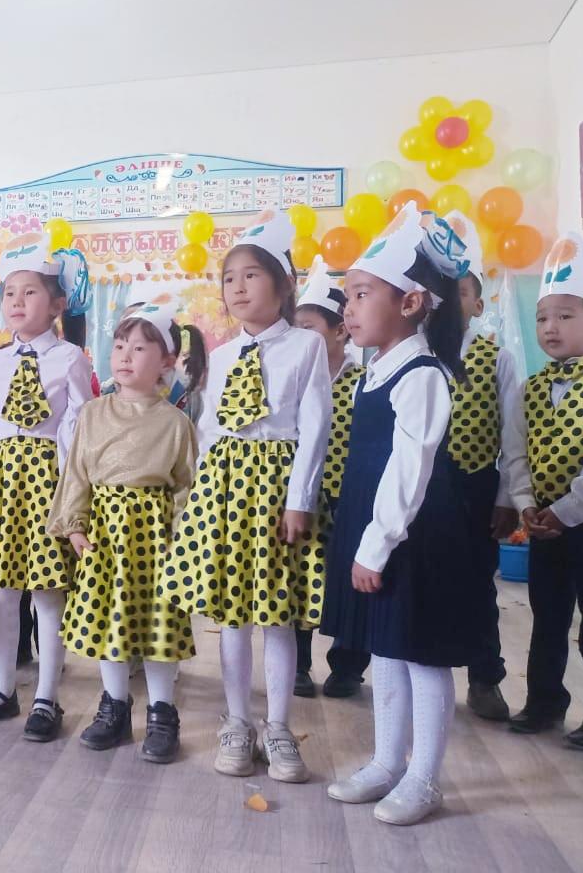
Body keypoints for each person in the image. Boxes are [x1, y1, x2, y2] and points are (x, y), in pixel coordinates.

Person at [159, 209, 330, 784]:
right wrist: (199, 502)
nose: (237, 287)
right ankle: (237, 721)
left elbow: (315, 426)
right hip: (225, 491)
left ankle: (278, 727)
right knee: (231, 616)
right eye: (229, 278)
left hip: (277, 490)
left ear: (284, 284)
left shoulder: (306, 346)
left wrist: (300, 499)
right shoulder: (223, 354)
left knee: (277, 618)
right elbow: (209, 431)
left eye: (252, 275)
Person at [321, 204, 477, 826]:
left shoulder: (422, 374)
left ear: (411, 303)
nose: (348, 308)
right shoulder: (374, 369)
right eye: (347, 296)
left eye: (362, 294)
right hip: (377, 526)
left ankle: (424, 779)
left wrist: (376, 544)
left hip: (412, 533)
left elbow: (410, 470)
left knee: (421, 653)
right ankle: (387, 762)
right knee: (385, 648)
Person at [0, 230, 93, 743]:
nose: (17, 301)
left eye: (30, 291)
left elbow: (78, 429)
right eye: (9, 292)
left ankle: (46, 697)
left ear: (57, 304)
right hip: (4, 483)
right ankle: (1, 689)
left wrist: (72, 496)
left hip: (48, 482)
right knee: (3, 591)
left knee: (47, 594)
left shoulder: (70, 359)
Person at [49, 299, 197, 762]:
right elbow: (76, 472)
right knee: (107, 620)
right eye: (119, 346)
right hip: (105, 537)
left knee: (157, 624)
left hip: (155, 540)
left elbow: (186, 487)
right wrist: (75, 525)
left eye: (139, 348)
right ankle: (114, 706)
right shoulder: (93, 414)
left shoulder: (175, 423)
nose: (125, 356)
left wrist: (181, 542)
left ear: (166, 361)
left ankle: (162, 713)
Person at [504, 233, 583, 752]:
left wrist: (567, 511)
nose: (550, 328)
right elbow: (515, 453)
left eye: (564, 316)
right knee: (548, 616)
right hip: (542, 524)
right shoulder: (529, 389)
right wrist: (526, 507)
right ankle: (544, 701)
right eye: (542, 318)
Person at [441, 216, 524, 721]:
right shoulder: (417, 355)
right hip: (425, 489)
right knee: (420, 581)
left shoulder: (499, 359)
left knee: (477, 585)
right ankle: (412, 675)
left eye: (462, 293)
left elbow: (513, 434)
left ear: (477, 304)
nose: (451, 302)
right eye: (442, 293)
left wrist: (507, 497)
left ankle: (484, 678)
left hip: (476, 486)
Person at [290, 258, 365, 698]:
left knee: (352, 581)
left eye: (309, 328)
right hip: (305, 495)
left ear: (340, 331)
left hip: (351, 498)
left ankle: (348, 666)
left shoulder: (364, 381)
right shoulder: (293, 382)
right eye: (296, 329)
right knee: (299, 578)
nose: (301, 338)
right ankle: (298, 664)